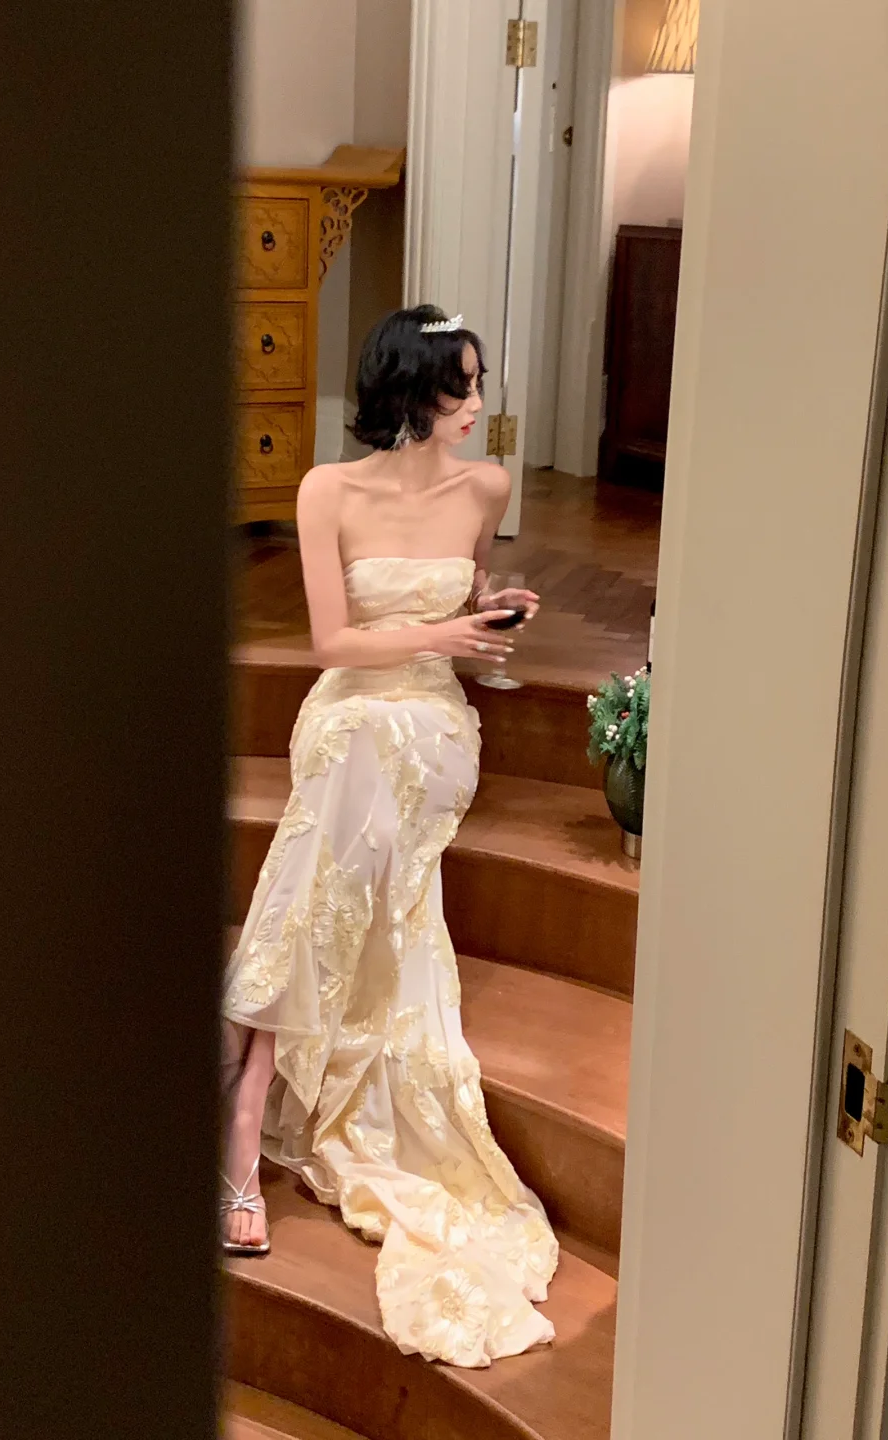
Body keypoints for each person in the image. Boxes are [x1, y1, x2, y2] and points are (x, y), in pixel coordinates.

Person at [222, 305, 558, 1368]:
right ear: (408, 390)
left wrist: (490, 610)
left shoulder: (488, 488)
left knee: (367, 772)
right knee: (356, 752)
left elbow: (466, 604)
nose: (477, 404)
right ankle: (251, 1090)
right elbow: (331, 641)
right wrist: (443, 627)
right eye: (461, 385)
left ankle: (243, 1072)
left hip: (434, 719)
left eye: (479, 381)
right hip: (351, 707)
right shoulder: (328, 490)